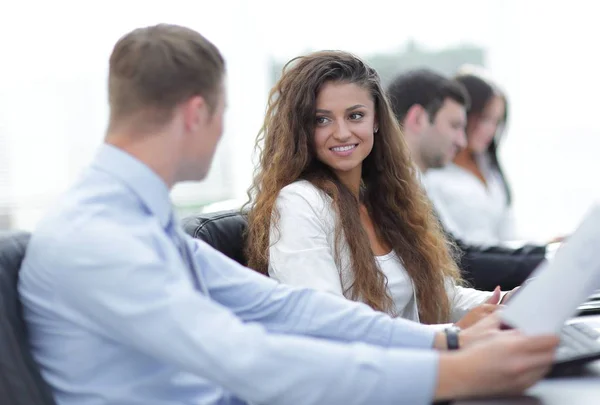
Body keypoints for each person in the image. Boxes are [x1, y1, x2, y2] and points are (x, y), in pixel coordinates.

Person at [18, 24, 558, 405]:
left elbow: (289, 309)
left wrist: (450, 341)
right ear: (198, 113)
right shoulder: (100, 238)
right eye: (225, 112)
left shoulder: (134, 219)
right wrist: (449, 372)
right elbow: (248, 358)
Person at [245, 51, 516, 329]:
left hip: (422, 363)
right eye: (321, 120)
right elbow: (328, 323)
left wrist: (506, 300)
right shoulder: (300, 202)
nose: (341, 132)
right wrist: (450, 334)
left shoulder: (384, 198)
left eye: (355, 115)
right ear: (302, 127)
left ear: (376, 120)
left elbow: (442, 297)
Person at [386, 68, 547, 290]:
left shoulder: (413, 181)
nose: (462, 141)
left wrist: (547, 253)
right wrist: (548, 261)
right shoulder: (392, 189)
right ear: (418, 119)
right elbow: (459, 262)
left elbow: (458, 253)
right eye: (454, 126)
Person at [422, 65, 515, 246]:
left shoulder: (489, 165)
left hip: (512, 264)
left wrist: (543, 248)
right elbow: (457, 249)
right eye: (484, 118)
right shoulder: (435, 173)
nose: (491, 130)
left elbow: (508, 235)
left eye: (497, 121)